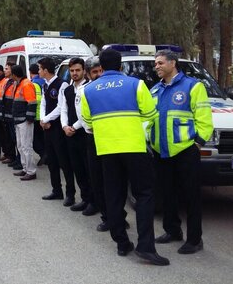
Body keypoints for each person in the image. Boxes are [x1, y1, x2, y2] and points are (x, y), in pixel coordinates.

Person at [81, 48, 169, 266]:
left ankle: (122, 243)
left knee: (113, 196)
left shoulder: (89, 90)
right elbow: (151, 114)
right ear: (121, 66)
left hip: (106, 151)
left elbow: (88, 123)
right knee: (145, 195)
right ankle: (146, 247)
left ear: (100, 67)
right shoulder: (135, 84)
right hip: (134, 148)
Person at [150, 49, 213, 254]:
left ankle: (195, 240)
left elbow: (204, 119)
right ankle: (172, 230)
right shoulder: (155, 90)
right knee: (167, 194)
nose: (156, 66)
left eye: (160, 63)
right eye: (155, 63)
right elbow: (149, 119)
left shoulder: (193, 87)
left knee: (191, 196)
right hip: (161, 152)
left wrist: (197, 144)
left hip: (186, 151)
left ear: (173, 63)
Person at [72, 57, 113, 232]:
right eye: (95, 72)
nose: (99, 75)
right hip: (93, 138)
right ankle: (107, 216)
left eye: (101, 71)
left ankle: (118, 216)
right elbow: (83, 118)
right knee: (98, 181)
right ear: (88, 74)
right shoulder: (85, 91)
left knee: (112, 181)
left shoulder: (112, 89)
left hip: (112, 139)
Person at [61, 58, 96, 214]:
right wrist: (64, 126)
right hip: (70, 135)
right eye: (72, 70)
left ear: (84, 71)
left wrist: (74, 127)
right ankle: (85, 198)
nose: (74, 73)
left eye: (77, 70)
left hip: (85, 134)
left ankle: (94, 202)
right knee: (78, 169)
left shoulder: (89, 88)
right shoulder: (68, 90)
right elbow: (63, 109)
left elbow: (86, 115)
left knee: (89, 170)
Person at [39, 57, 75, 207]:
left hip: (57, 129)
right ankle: (56, 190)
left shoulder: (62, 84)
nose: (39, 71)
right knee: (51, 161)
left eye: (40, 68)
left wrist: (47, 119)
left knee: (63, 162)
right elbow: (43, 103)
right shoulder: (45, 85)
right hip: (46, 128)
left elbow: (61, 107)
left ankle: (70, 194)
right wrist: (42, 120)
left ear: (46, 70)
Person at [10, 65, 38, 181]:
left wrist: (29, 119)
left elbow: (32, 102)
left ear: (14, 74)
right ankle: (25, 168)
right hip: (18, 119)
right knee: (21, 145)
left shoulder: (26, 84)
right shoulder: (19, 84)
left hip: (25, 121)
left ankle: (31, 171)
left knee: (26, 146)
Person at [0, 64, 16, 163]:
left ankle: (12, 156)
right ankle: (7, 154)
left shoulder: (10, 82)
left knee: (11, 138)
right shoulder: (1, 82)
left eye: (6, 69)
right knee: (4, 136)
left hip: (9, 114)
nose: (4, 71)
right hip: (2, 113)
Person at [29, 63, 45, 166]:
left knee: (35, 140)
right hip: (43, 115)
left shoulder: (34, 83)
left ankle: (44, 154)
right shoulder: (43, 81)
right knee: (42, 138)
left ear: (30, 72)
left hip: (37, 115)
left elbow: (36, 100)